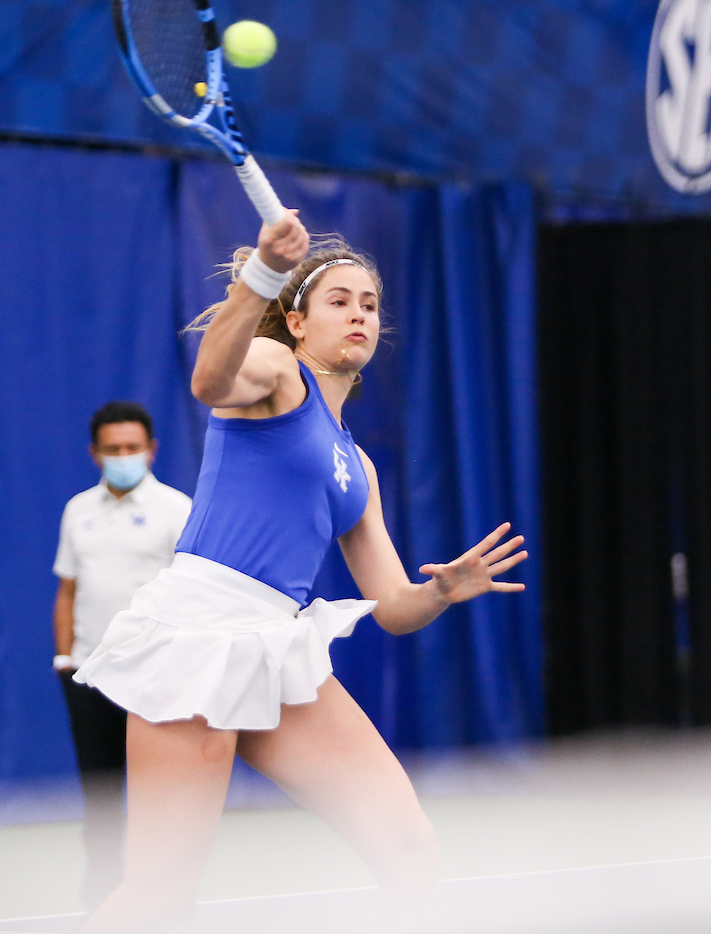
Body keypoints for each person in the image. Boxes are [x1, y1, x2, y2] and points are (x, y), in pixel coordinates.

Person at [75, 214, 527, 934]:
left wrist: (441, 591)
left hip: (275, 646)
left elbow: (391, 606)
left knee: (407, 842)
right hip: (195, 633)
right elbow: (207, 378)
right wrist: (259, 273)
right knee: (159, 899)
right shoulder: (277, 372)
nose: (359, 315)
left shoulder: (361, 469)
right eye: (340, 301)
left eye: (371, 305)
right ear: (299, 320)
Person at [52, 400, 192, 910]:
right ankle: (103, 908)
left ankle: (171, 904)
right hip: (89, 678)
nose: (123, 456)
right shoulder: (77, 511)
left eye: (133, 447)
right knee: (103, 802)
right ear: (95, 454)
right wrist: (65, 661)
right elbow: (68, 590)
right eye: (113, 449)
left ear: (152, 450)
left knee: (163, 805)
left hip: (159, 679)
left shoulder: (178, 509)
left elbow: (195, 592)